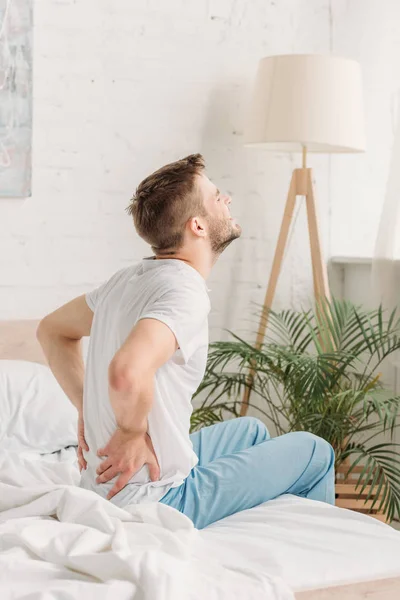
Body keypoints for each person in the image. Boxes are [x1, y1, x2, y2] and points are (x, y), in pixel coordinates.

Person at [37, 154, 335, 530]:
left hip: (102, 487)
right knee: (315, 451)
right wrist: (129, 431)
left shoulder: (127, 280)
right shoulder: (184, 292)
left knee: (252, 432)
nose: (226, 200)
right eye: (216, 197)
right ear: (197, 225)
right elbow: (126, 371)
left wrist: (88, 405)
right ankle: (314, 554)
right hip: (156, 499)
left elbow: (51, 330)